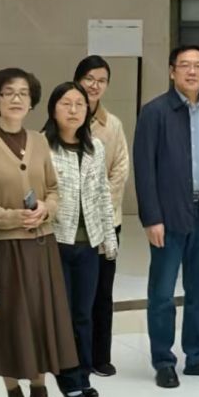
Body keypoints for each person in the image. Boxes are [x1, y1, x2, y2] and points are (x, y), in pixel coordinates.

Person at [0, 69, 75, 397]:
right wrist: (12, 217)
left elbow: (54, 190)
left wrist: (47, 208)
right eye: (8, 92)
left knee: (41, 320)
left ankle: (40, 394)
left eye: (23, 93)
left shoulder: (40, 141)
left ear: (32, 102)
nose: (16, 99)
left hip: (41, 246)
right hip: (3, 250)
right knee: (9, 323)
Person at [134, 45, 199, 388]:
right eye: (185, 65)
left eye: (198, 66)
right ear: (172, 71)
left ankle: (198, 356)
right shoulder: (154, 112)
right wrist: (151, 218)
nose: (192, 71)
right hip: (168, 214)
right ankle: (164, 360)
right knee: (163, 293)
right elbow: (144, 170)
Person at [42, 82, 117, 397]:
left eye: (79, 104)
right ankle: (68, 376)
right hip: (56, 242)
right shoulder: (42, 146)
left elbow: (102, 192)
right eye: (66, 103)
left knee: (84, 314)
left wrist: (109, 238)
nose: (73, 110)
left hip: (88, 244)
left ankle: (83, 374)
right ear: (53, 109)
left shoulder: (94, 147)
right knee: (63, 314)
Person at [75, 56, 131, 380]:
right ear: (78, 80)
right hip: (71, 225)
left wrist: (97, 208)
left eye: (101, 80)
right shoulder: (62, 119)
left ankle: (100, 356)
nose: (94, 85)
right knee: (75, 294)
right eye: (89, 78)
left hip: (107, 222)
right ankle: (74, 357)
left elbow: (120, 170)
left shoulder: (113, 125)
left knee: (102, 291)